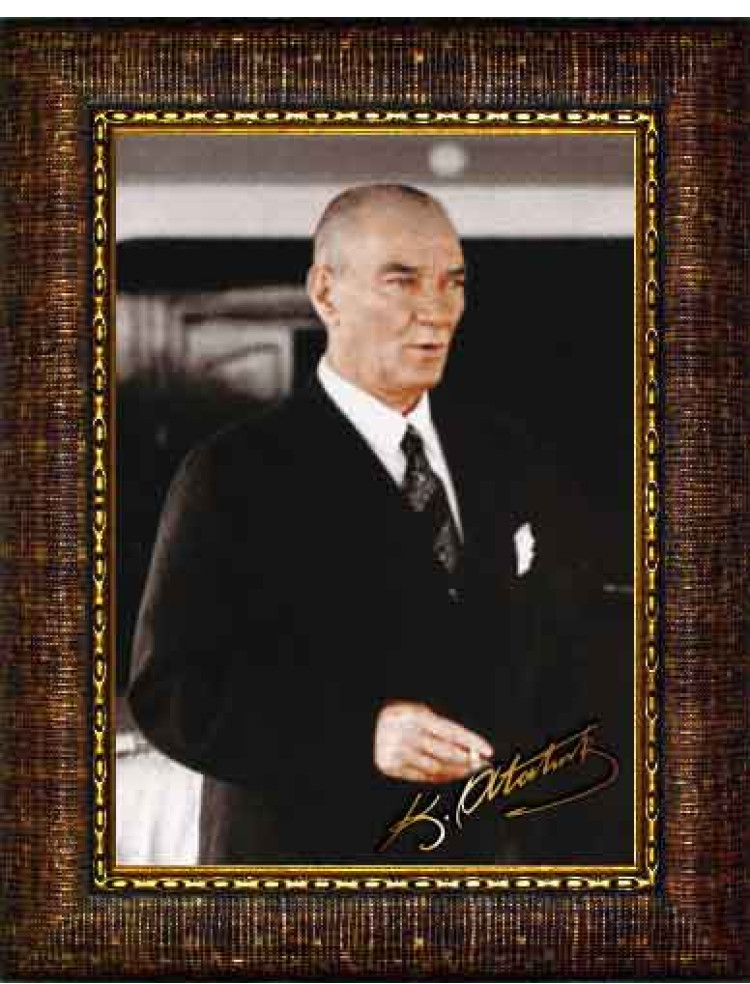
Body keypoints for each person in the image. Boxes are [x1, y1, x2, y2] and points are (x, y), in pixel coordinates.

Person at [128, 184, 609, 864]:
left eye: (452, 283)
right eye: (402, 281)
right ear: (326, 293)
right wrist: (359, 735)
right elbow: (171, 693)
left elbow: (561, 655)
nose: (435, 311)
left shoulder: (508, 455)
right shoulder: (232, 472)